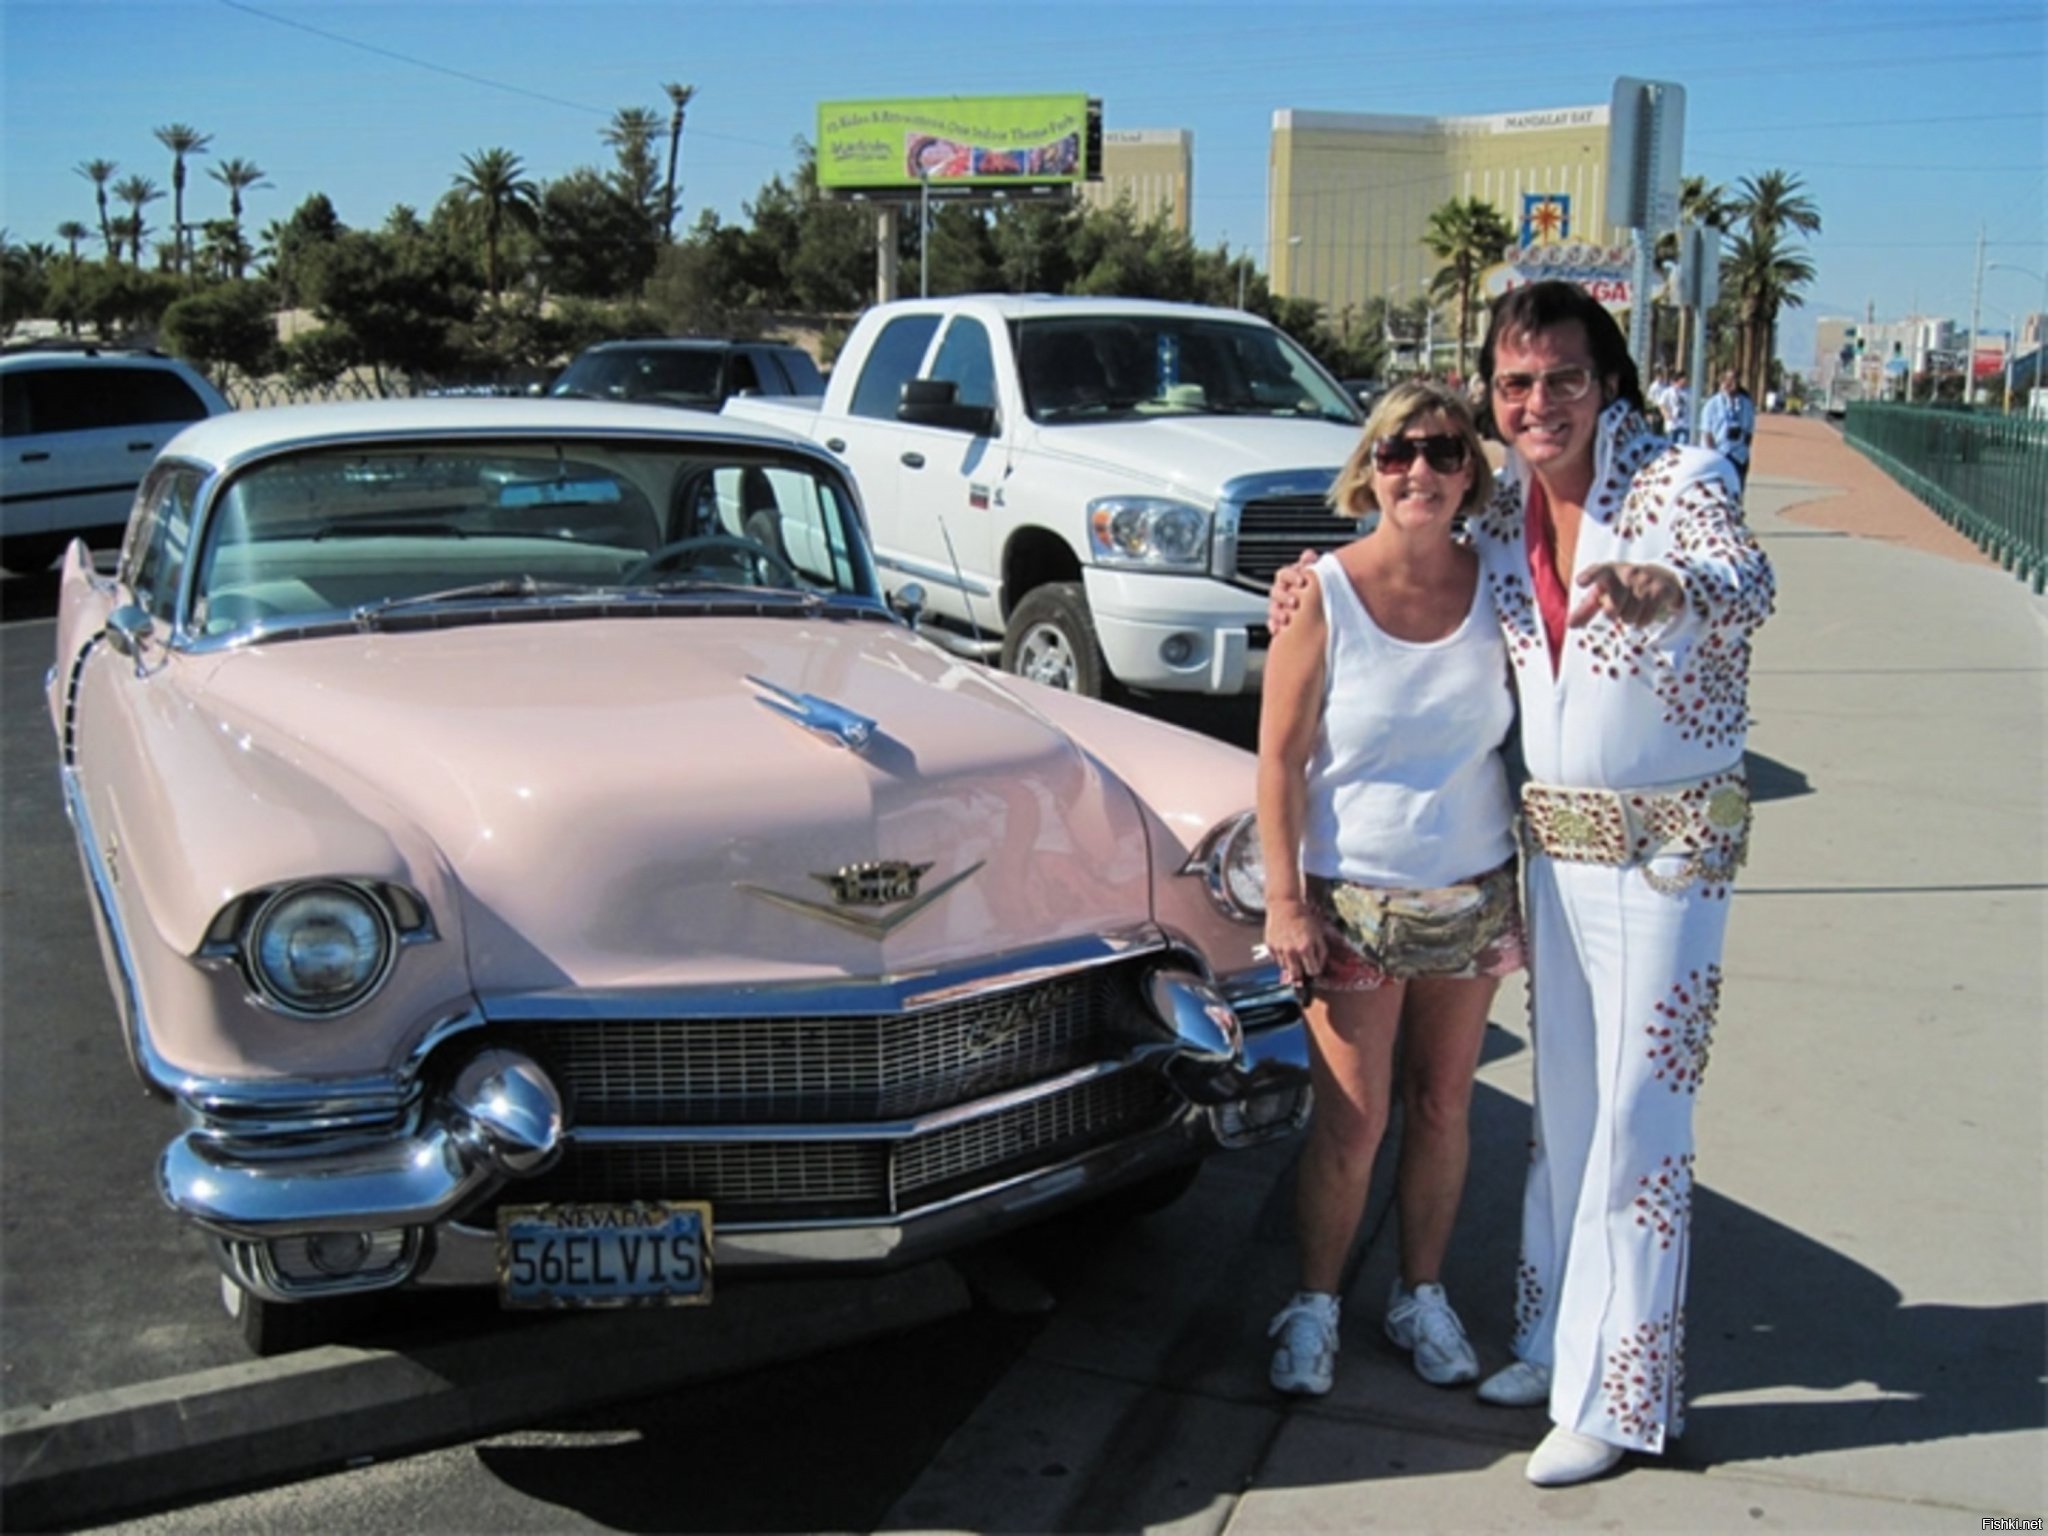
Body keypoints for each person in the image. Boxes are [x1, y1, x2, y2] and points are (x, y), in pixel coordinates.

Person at [1269, 281, 1774, 1487]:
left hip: (1666, 857)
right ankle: (1555, 1341)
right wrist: (1303, 585)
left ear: (1607, 381)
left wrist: (1674, 593)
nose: (1535, 402)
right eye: (1513, 385)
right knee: (1563, 1116)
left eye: (1559, 378)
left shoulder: (1674, 483)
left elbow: (1746, 583)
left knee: (1639, 1128)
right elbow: (1397, 563)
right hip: (1550, 861)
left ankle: (1622, 1393)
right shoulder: (1502, 522)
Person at [1258, 381, 1526, 1404]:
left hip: (1470, 893)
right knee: (1352, 1122)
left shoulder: (1497, 579)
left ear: (1472, 472)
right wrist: (1285, 901)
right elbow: (1277, 763)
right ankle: (1314, 1305)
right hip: (1352, 901)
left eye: (1446, 452)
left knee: (1442, 1104)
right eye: (1399, 450)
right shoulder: (1319, 593)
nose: (1421, 470)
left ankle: (1420, 1294)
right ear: (1368, 466)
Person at [1700, 368, 1758, 495]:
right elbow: (1707, 433)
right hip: (1719, 454)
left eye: (1734, 379)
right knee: (1718, 493)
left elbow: (1749, 431)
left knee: (1737, 493)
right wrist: (1713, 455)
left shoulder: (1746, 404)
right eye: (1727, 379)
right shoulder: (1712, 404)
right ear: (1722, 382)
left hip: (1739, 457)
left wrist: (1744, 449)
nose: (1730, 383)